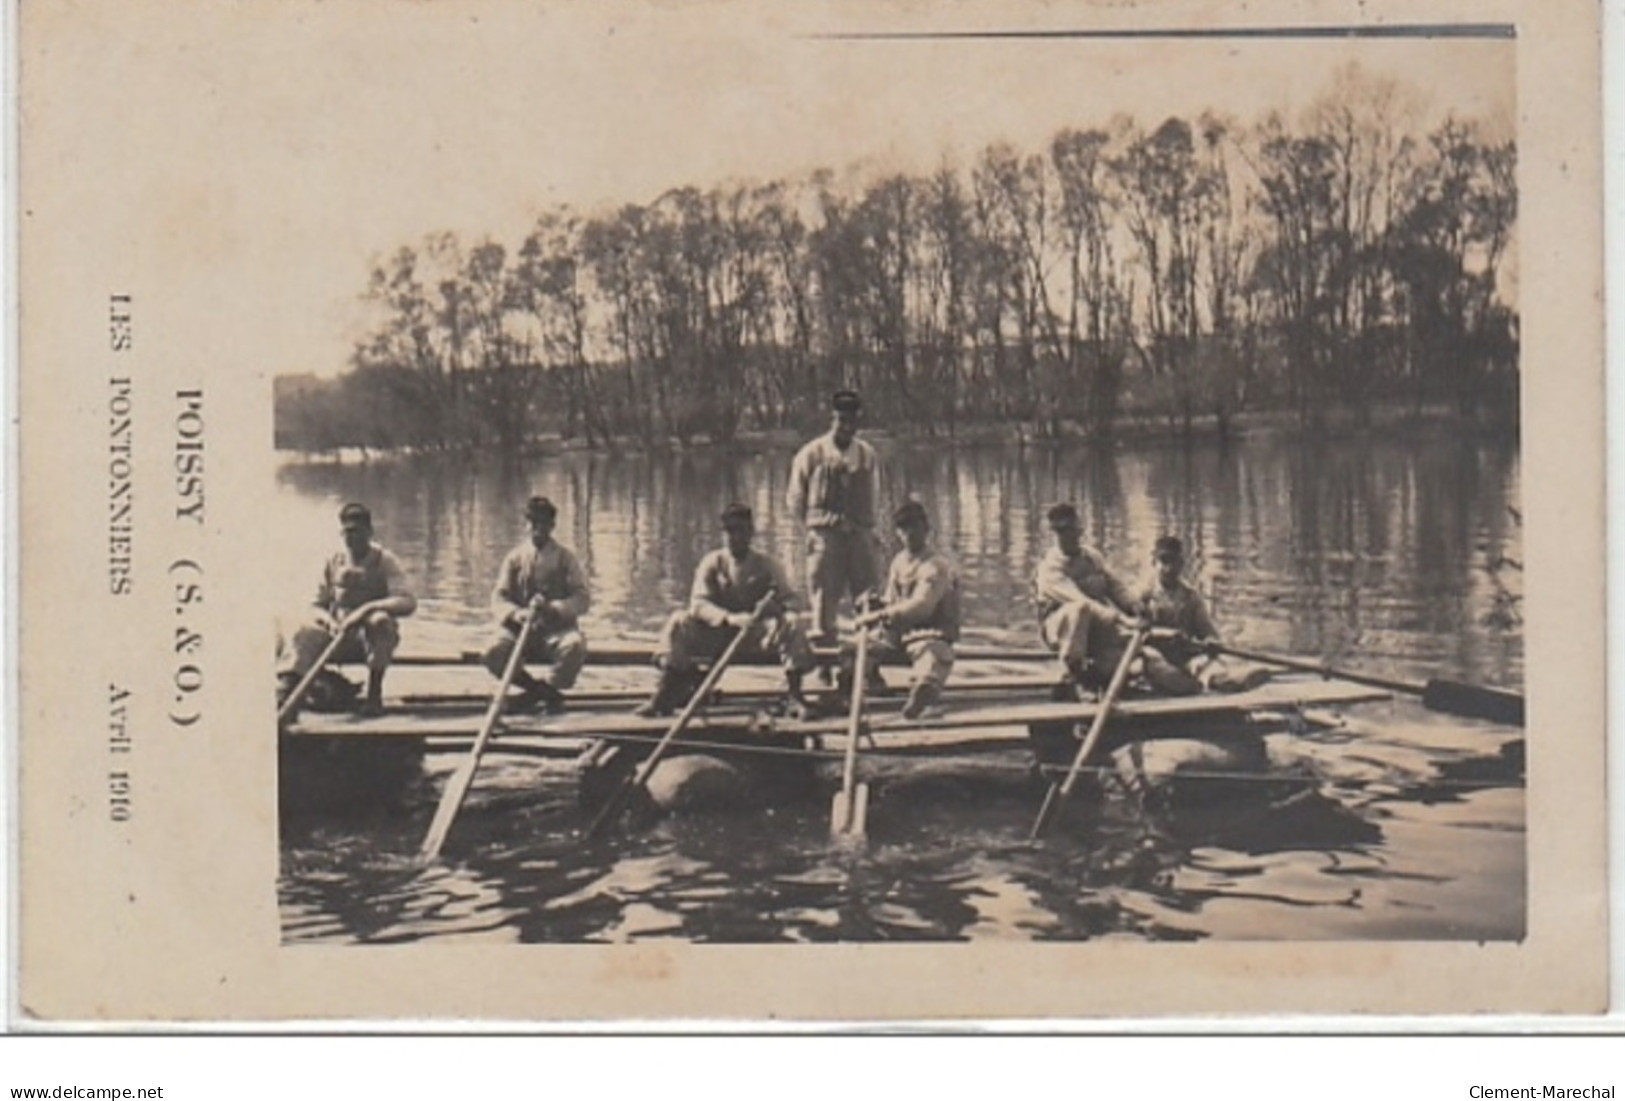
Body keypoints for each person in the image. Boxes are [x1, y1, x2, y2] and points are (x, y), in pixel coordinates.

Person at [634, 503, 816, 720]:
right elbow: (698, 604)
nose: (734, 536)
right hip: (717, 633)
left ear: (750, 532)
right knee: (679, 621)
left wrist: (776, 609)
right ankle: (666, 693)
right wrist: (728, 618)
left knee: (793, 623)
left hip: (756, 635)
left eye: (739, 530)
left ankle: (794, 695)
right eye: (729, 530)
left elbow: (793, 600)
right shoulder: (712, 562)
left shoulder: (767, 564)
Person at [277, 502, 417, 718]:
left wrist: (365, 611)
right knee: (301, 631)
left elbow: (407, 602)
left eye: (358, 532)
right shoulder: (334, 561)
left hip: (369, 642)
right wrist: (328, 621)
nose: (352, 538)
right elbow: (316, 605)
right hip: (336, 638)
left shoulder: (385, 561)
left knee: (381, 621)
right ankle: (287, 698)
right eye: (347, 532)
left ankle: (374, 696)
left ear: (369, 532)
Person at [787, 388, 882, 645]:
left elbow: (874, 496)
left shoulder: (867, 454)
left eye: (852, 422)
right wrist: (808, 534)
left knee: (869, 598)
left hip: (860, 535)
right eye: (842, 420)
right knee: (823, 599)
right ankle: (824, 663)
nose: (847, 427)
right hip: (825, 537)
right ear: (833, 419)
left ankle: (869, 660)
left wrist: (872, 532)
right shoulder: (811, 454)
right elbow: (796, 500)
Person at [852, 500, 961, 720]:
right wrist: (876, 603)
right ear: (898, 532)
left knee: (932, 657)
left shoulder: (935, 566)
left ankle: (921, 695)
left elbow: (922, 606)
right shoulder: (899, 561)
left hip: (930, 632)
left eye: (914, 527)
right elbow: (893, 600)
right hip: (898, 634)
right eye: (903, 528)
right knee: (851, 651)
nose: (909, 533)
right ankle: (870, 684)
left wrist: (880, 615)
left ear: (926, 529)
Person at [482, 495, 591, 713]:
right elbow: (499, 597)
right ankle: (537, 691)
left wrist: (555, 608)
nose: (538, 529)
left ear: (552, 526)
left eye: (543, 523)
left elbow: (582, 598)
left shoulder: (565, 558)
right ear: (526, 524)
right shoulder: (514, 558)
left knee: (575, 646)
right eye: (533, 523)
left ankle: (544, 690)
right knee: (492, 651)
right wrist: (516, 614)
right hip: (520, 630)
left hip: (555, 630)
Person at [1136, 535, 1270, 695]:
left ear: (1182, 564)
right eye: (1164, 561)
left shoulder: (1190, 596)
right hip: (1155, 657)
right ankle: (1187, 685)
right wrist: (1163, 634)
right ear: (1154, 562)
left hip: (1185, 657)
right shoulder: (1142, 595)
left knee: (1204, 666)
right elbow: (1132, 632)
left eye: (1175, 562)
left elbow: (1208, 632)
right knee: (1155, 667)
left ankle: (1228, 682)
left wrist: (1211, 642)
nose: (1169, 568)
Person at [1032, 502, 1140, 693]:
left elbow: (1114, 586)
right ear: (1055, 533)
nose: (1068, 536)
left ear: (1079, 529)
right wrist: (1122, 620)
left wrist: (1134, 606)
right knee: (1080, 609)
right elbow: (1082, 602)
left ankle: (1099, 675)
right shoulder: (1050, 568)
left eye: (1071, 529)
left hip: (1095, 627)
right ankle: (1072, 674)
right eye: (1061, 531)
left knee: (1133, 660)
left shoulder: (1092, 557)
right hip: (1060, 629)